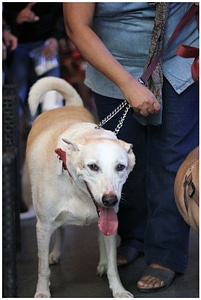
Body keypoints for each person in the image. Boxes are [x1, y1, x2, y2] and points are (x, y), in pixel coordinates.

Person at [63, 3, 199, 293]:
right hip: (112, 67)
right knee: (120, 165)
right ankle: (133, 237)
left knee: (172, 163)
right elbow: (76, 26)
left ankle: (166, 253)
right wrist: (128, 84)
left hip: (180, 60)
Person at [3, 2, 65, 117]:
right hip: (17, 45)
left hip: (46, 44)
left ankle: (49, 128)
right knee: (18, 96)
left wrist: (55, 37)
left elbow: (61, 13)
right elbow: (4, 12)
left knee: (51, 98)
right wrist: (15, 17)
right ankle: (22, 130)